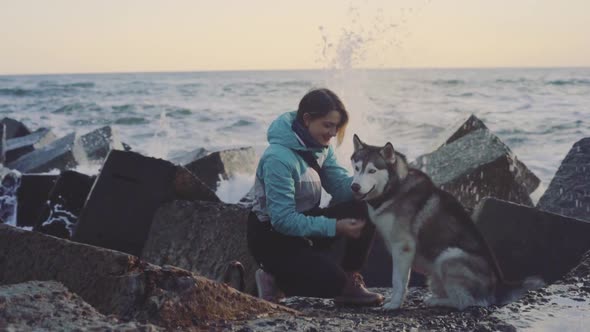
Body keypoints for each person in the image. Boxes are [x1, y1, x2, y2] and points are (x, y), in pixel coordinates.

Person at [247, 88, 384, 306]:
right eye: (327, 125)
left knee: (365, 207)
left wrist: (372, 186)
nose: (332, 132)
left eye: (336, 127)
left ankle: (351, 279)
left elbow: (340, 187)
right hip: (271, 238)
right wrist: (334, 227)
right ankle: (272, 278)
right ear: (307, 119)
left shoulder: (321, 148)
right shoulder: (277, 158)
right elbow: (282, 220)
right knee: (331, 283)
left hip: (305, 224)